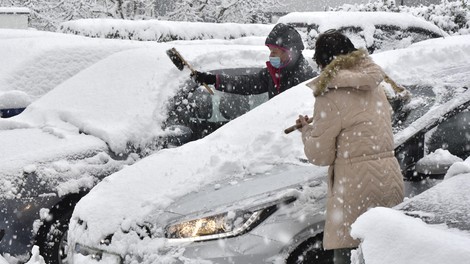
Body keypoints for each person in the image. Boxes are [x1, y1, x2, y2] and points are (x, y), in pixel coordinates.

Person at [296, 30, 404, 264]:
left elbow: (320, 154)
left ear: (323, 61)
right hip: (390, 180)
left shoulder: (329, 94)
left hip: (355, 189)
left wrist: (306, 131)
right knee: (385, 253)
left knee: (348, 255)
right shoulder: (374, 86)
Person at [192, 23, 317, 99]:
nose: (270, 56)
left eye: (274, 52)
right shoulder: (274, 73)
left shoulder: (305, 78)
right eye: (270, 51)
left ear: (288, 53)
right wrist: (214, 80)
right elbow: (249, 83)